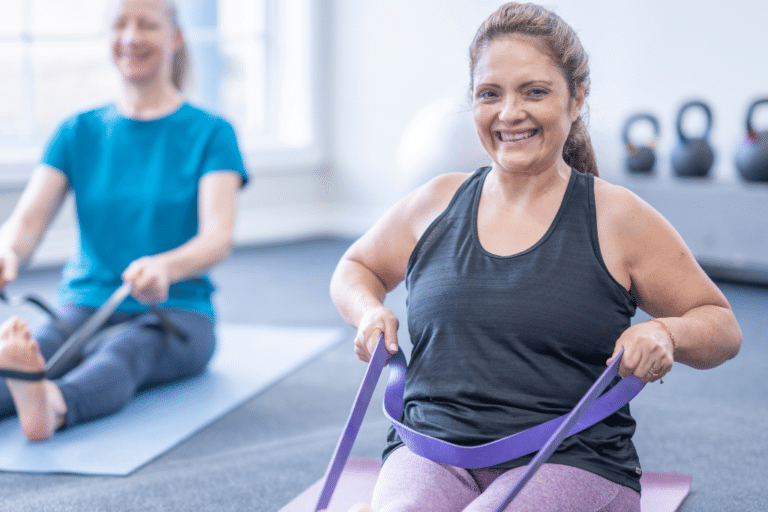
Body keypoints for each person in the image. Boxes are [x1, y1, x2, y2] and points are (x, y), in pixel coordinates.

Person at [329, 3, 742, 511]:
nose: (509, 113)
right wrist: (369, 311)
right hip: (431, 449)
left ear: (576, 99)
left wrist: (667, 333)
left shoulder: (617, 217)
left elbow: (722, 328)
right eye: (489, 94)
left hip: (570, 459)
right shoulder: (435, 202)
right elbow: (355, 268)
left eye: (535, 91)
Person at [0, 0, 247, 442]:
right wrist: (7, 251)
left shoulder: (212, 132)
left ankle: (52, 407)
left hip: (177, 309)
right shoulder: (77, 130)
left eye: (147, 24)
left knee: (124, 352)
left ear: (175, 38)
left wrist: (165, 267)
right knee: (38, 347)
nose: (131, 37)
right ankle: (23, 387)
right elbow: (26, 223)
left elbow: (218, 237)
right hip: (85, 300)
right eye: (120, 25)